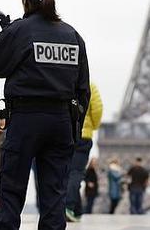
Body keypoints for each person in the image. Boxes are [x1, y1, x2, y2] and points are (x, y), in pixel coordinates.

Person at [0, 0, 90, 230]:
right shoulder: (72, 35)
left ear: (26, 1)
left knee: (11, 189)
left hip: (25, 118)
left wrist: (5, 33)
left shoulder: (20, 30)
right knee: (54, 193)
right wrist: (73, 129)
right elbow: (83, 88)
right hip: (61, 120)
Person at [65, 82, 103, 222]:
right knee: (76, 173)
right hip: (83, 135)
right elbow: (97, 110)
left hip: (64, 133)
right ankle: (68, 206)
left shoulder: (63, 82)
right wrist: (93, 126)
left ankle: (76, 211)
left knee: (65, 172)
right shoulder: (89, 85)